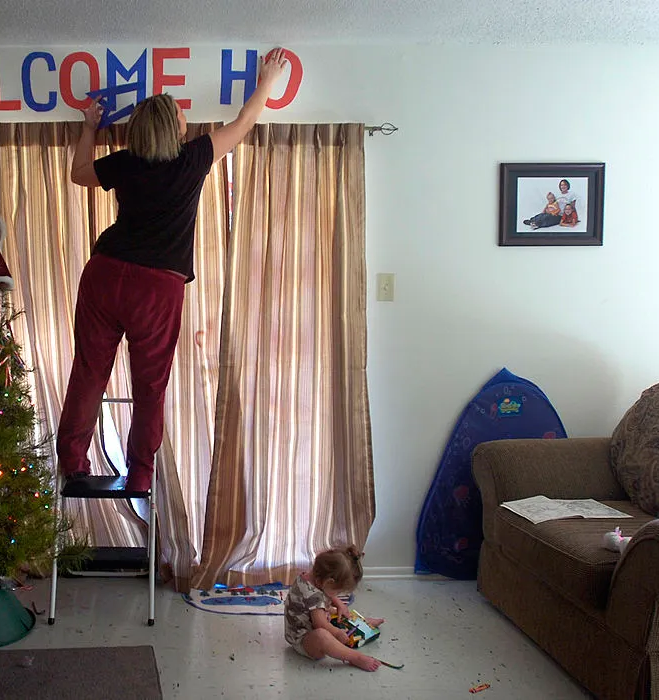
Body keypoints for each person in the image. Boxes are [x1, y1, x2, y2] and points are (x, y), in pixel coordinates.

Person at [57, 49, 290, 493]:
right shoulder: (193, 159)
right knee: (150, 385)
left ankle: (73, 462)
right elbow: (243, 124)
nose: (186, 117)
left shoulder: (126, 161)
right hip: (156, 287)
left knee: (89, 371)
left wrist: (88, 128)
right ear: (173, 127)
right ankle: (140, 473)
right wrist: (269, 81)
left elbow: (79, 174)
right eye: (181, 113)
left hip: (105, 272)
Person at [284, 545, 386, 671]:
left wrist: (338, 603)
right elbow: (320, 624)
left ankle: (362, 623)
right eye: (337, 592)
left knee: (337, 612)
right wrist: (337, 633)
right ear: (329, 582)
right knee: (323, 636)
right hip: (302, 639)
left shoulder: (311, 577)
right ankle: (355, 657)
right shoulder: (314, 597)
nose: (337, 596)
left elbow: (325, 593)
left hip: (312, 616)